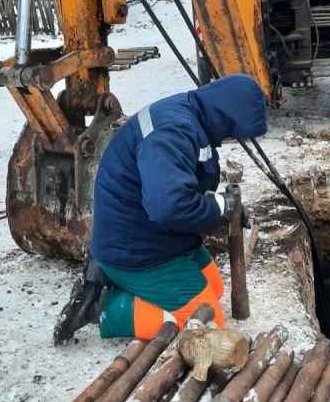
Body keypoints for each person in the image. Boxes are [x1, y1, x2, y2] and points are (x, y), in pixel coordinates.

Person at [53, 73, 268, 344]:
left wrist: (225, 208)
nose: (230, 139)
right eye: (234, 132)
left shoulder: (192, 115)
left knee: (215, 287)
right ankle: (104, 307)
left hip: (157, 235)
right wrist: (219, 206)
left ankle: (124, 285)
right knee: (208, 319)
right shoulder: (174, 132)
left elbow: (179, 182)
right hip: (136, 249)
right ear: (226, 118)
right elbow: (169, 205)